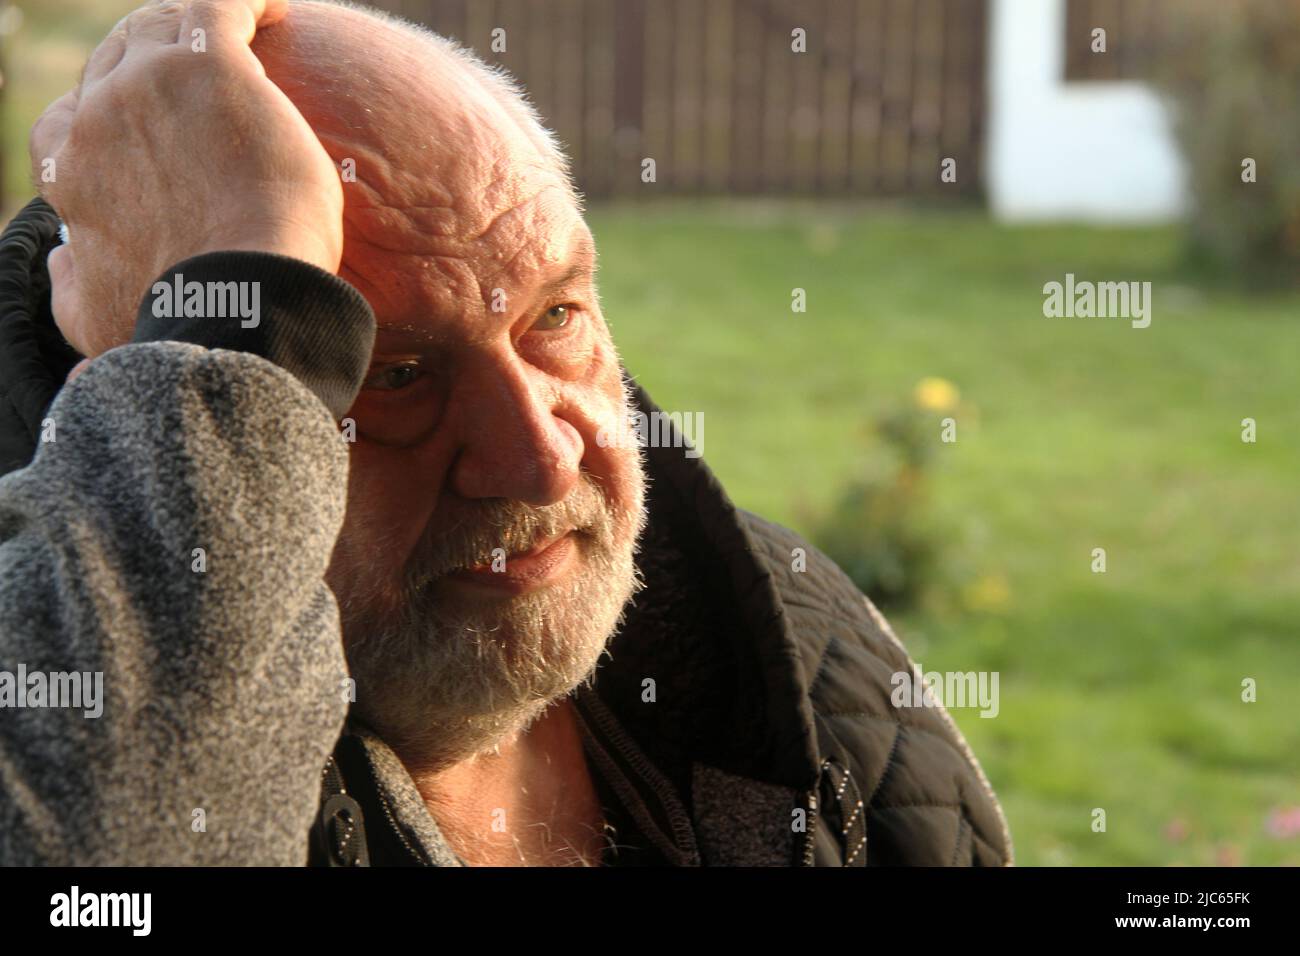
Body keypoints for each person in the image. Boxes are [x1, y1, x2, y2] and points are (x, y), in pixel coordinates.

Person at [0, 0, 1011, 866]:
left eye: (556, 318)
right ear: (147, 409)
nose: (537, 458)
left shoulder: (794, 636)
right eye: (394, 374)